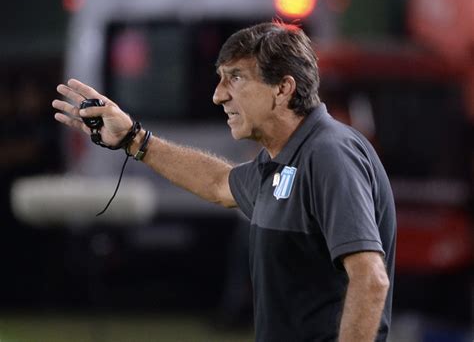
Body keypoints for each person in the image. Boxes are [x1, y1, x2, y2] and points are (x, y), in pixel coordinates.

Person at [52, 21, 396, 342]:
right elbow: (219, 183)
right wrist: (133, 139)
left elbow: (371, 279)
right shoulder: (281, 159)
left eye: (235, 78)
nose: (218, 95)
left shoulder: (328, 154)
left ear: (283, 89)